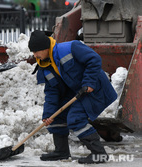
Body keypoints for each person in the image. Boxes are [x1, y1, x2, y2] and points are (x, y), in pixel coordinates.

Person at [28, 30, 117, 164]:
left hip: (94, 89)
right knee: (56, 117)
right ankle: (61, 151)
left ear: (45, 48)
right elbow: (52, 92)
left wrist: (89, 82)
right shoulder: (45, 66)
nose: (35, 55)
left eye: (36, 51)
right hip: (78, 92)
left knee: (75, 118)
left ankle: (99, 154)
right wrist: (48, 114)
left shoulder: (70, 48)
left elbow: (94, 59)